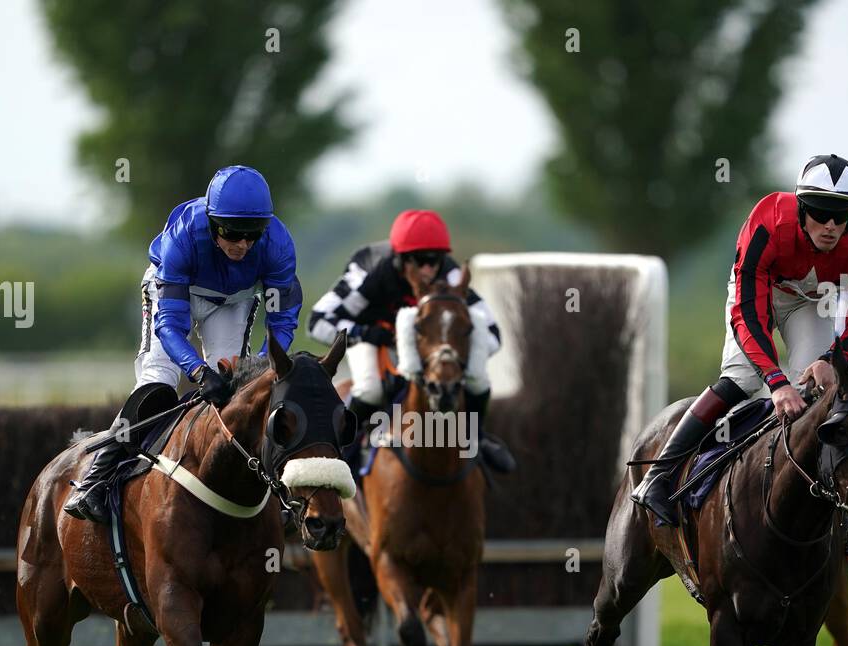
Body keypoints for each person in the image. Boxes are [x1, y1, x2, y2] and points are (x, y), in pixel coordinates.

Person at [632, 154, 848, 526]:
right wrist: (775, 381)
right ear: (802, 206)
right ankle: (659, 475)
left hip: (811, 302)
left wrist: (836, 358)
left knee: (816, 388)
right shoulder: (767, 222)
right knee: (743, 378)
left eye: (842, 214)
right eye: (821, 211)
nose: (832, 225)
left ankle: (814, 499)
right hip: (758, 296)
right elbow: (748, 316)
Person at [64, 165, 303, 524]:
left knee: (240, 388)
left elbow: (282, 322)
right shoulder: (184, 237)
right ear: (211, 223)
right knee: (158, 379)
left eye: (253, 233)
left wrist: (266, 366)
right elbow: (170, 327)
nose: (242, 244)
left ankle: (264, 490)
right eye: (232, 232)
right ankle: (97, 478)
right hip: (177, 291)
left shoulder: (279, 245)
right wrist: (197, 370)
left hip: (233, 300)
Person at [307, 209, 515, 473]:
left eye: (435, 260)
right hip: (372, 335)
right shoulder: (371, 273)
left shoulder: (450, 275)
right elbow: (318, 322)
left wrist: (456, 353)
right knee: (371, 389)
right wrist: (365, 333)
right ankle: (337, 451)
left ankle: (476, 437)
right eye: (420, 260)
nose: (429, 269)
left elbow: (492, 333)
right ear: (401, 259)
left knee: (477, 379)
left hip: (425, 344)